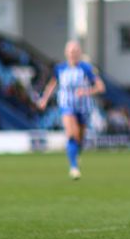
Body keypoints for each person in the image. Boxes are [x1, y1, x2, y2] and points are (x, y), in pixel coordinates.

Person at [37, 40, 105, 180]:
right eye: (70, 51)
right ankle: (73, 167)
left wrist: (86, 91)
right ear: (66, 53)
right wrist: (44, 99)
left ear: (79, 53)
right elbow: (52, 84)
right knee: (71, 134)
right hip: (67, 106)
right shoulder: (60, 69)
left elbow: (101, 87)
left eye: (75, 51)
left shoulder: (86, 69)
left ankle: (76, 153)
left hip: (83, 107)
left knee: (79, 137)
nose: (73, 54)